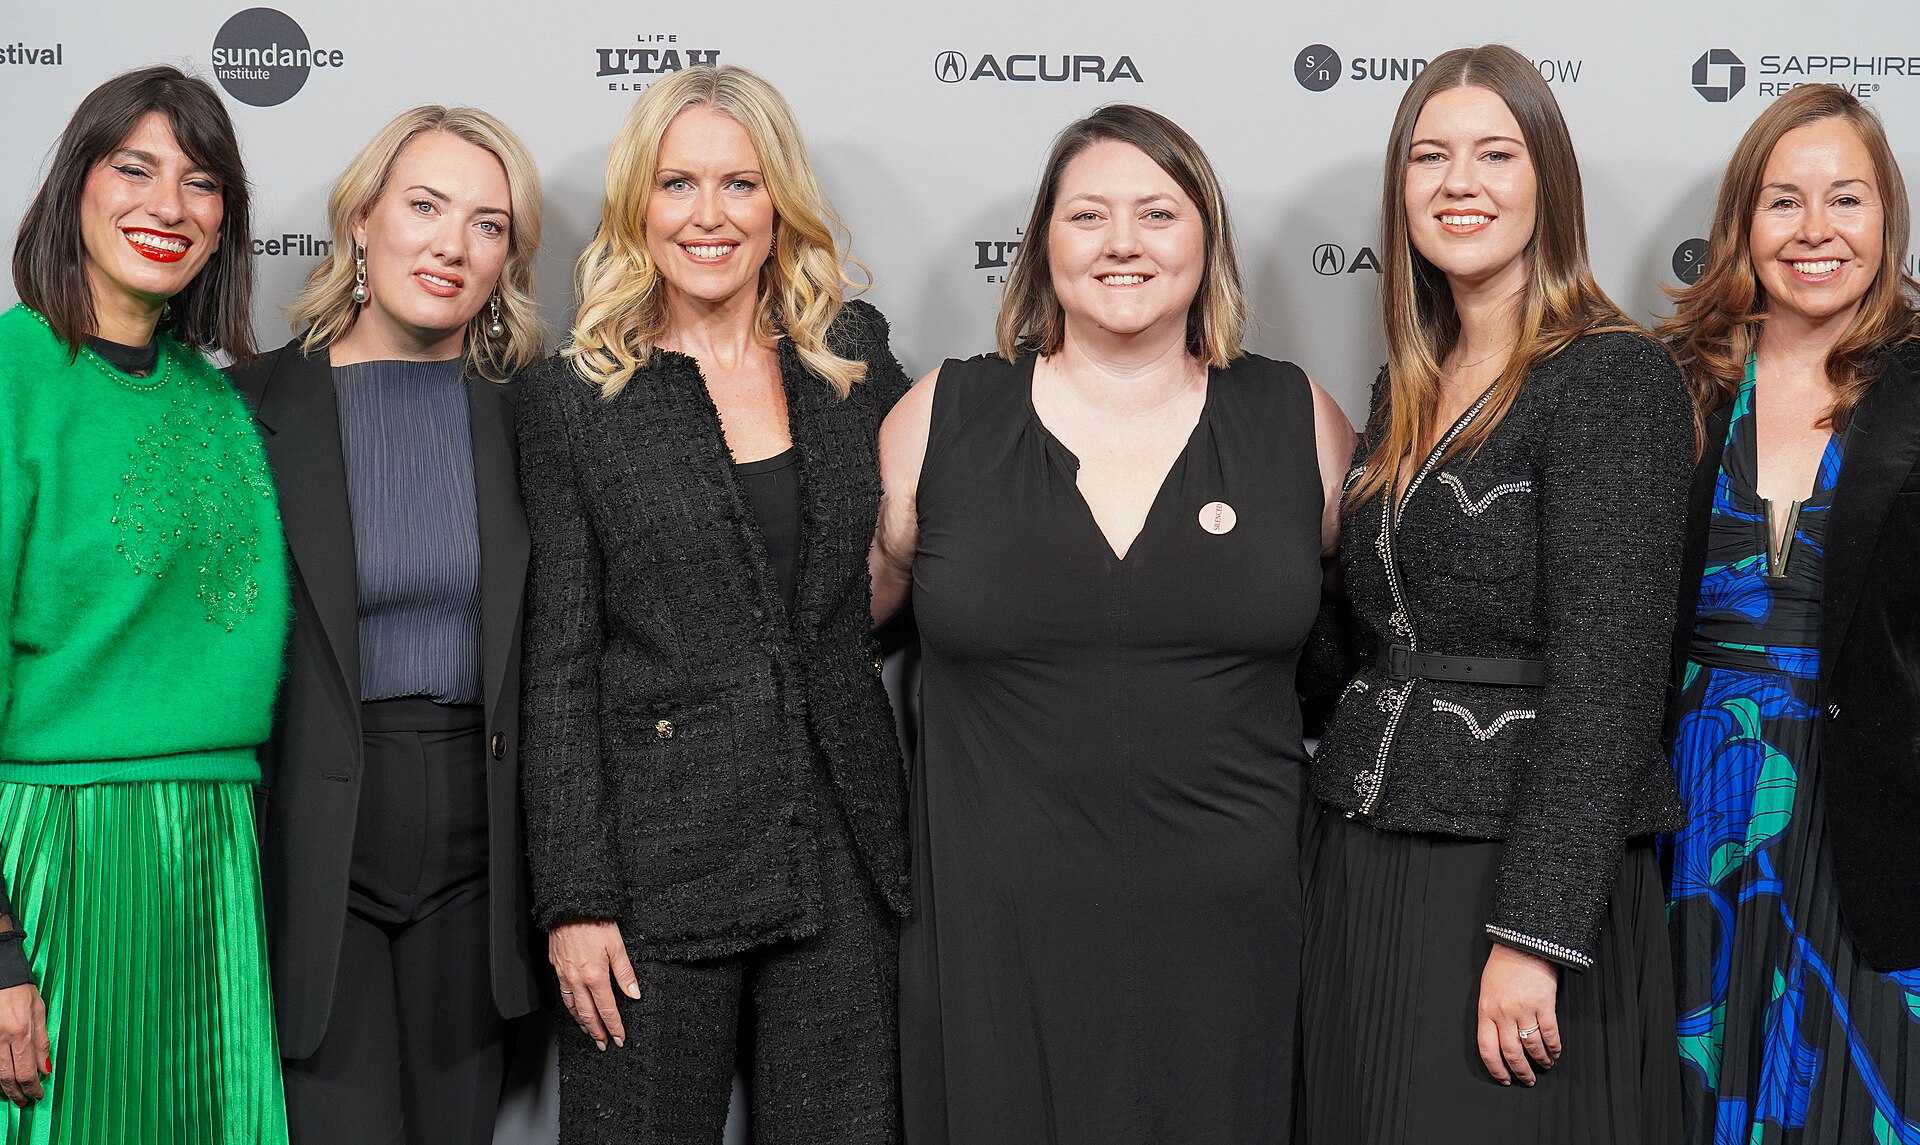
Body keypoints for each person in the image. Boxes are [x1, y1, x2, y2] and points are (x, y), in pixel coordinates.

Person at [872, 103, 1352, 1143]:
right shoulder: (939, 418)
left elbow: (1360, 638)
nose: (1122, 242)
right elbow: (846, 622)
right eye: (1088, 215)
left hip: (1237, 943)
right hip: (995, 946)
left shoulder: (1298, 419)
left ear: (1207, 239)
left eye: (1158, 213)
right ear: (1043, 243)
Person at [1297, 44, 1690, 1142]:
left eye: (1494, 154)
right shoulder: (1406, 384)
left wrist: (1534, 932)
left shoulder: (1611, 375)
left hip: (1512, 869)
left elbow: (1611, 680)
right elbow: (1363, 633)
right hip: (1370, 844)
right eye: (1429, 156)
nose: (1458, 182)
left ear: (1547, 181)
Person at [516, 64, 912, 1144]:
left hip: (841, 839)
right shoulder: (573, 398)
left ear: (779, 200)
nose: (709, 215)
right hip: (652, 861)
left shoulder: (852, 355)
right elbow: (560, 664)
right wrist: (577, 898)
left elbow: (912, 560)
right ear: (637, 203)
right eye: (678, 183)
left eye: (740, 183)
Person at [227, 106, 547, 1145]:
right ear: (362, 220)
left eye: (488, 224)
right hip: (313, 842)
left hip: (481, 854)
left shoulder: (537, 415)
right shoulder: (245, 409)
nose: (453, 244)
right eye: (425, 206)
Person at [0, 65, 289, 1142]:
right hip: (64, 839)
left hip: (213, 843)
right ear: (76, 181)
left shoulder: (215, 395)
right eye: (136, 168)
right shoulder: (13, 373)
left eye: (201, 182)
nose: (169, 205)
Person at [1659, 83, 1920, 1144]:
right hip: (1692, 814)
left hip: (1882, 824)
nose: (1817, 230)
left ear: (1888, 217)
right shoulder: (1672, 384)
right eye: (1784, 201)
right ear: (1742, 221)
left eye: (1846, 199)